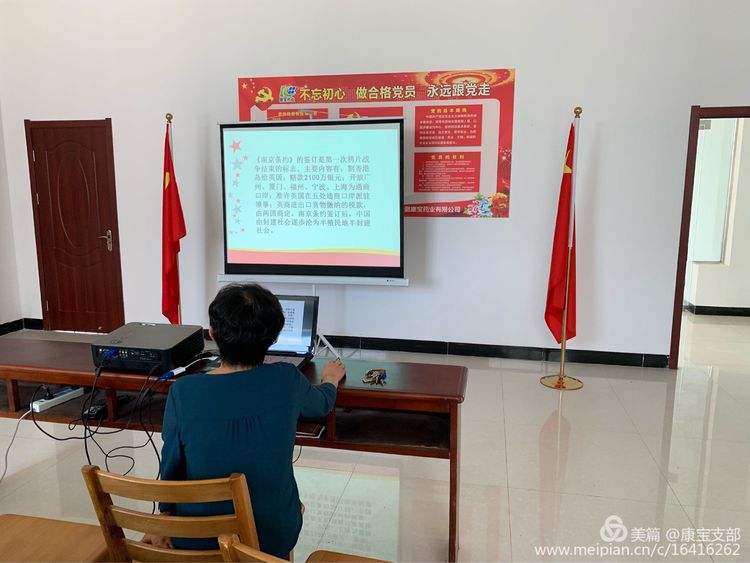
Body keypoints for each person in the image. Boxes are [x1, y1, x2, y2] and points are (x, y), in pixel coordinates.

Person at [142, 283, 346, 557]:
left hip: (199, 537)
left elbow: (172, 465)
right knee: (289, 505)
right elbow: (321, 404)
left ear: (213, 334)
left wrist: (165, 515)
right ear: (273, 338)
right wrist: (330, 379)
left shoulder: (183, 391)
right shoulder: (287, 379)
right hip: (270, 536)